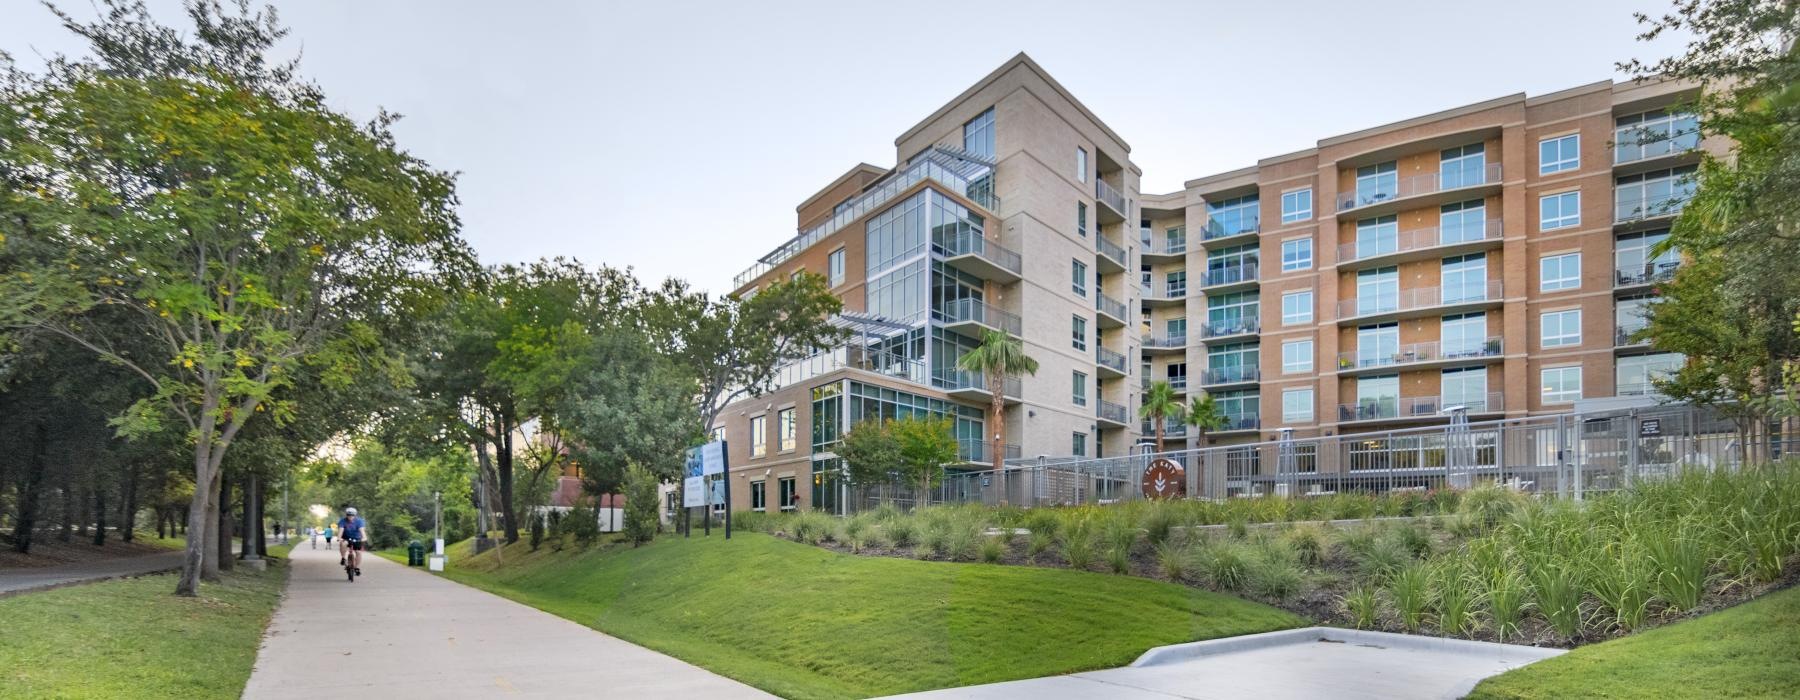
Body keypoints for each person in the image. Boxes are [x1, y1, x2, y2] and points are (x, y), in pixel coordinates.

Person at [337, 507, 368, 575]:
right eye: (348, 515)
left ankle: (356, 567)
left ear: (355, 515)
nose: (350, 516)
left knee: (358, 552)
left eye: (352, 515)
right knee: (343, 543)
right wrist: (339, 538)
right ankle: (343, 558)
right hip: (346, 538)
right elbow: (340, 531)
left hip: (357, 538)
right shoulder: (342, 521)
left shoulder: (359, 521)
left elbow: (362, 532)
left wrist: (363, 538)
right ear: (346, 515)